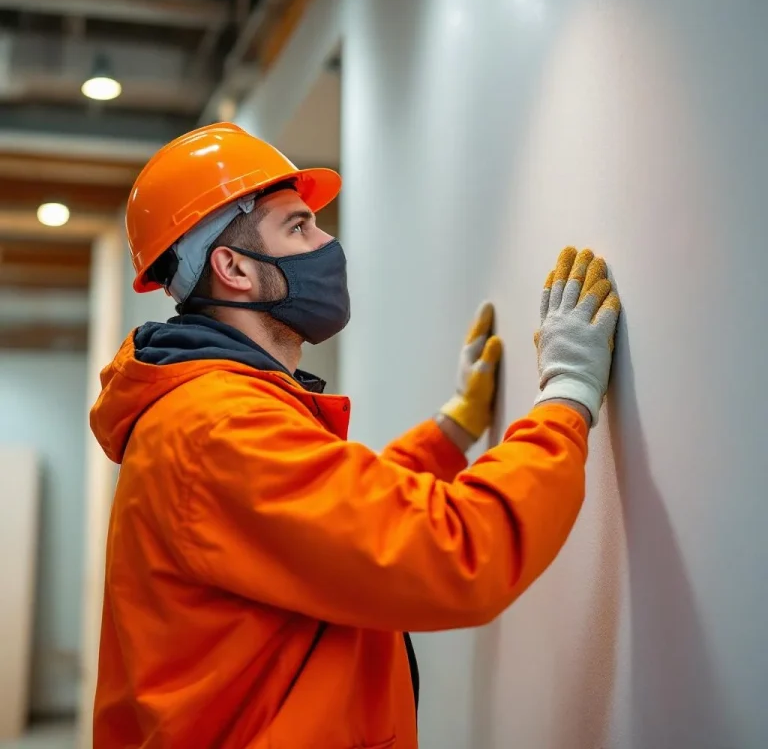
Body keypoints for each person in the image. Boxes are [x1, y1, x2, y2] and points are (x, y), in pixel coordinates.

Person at [90, 122, 621, 749]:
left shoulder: (211, 409)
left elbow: (335, 525)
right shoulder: (218, 426)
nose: (327, 241)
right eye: (298, 227)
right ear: (232, 267)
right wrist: (567, 396)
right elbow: (452, 554)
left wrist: (450, 434)